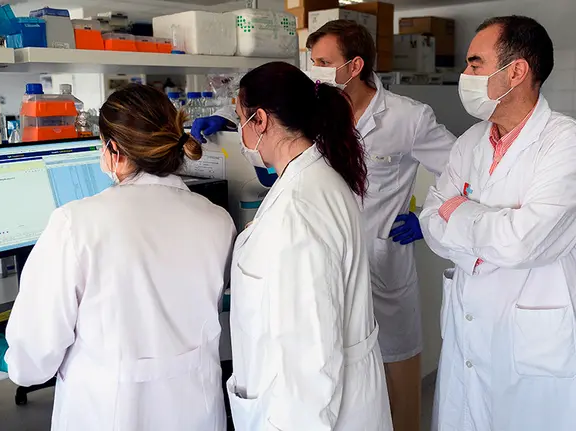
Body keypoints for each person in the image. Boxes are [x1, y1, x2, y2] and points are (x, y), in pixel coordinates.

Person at [193, 20, 456, 431]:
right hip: (340, 253)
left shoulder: (407, 117)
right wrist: (232, 129)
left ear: (354, 66)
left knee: (398, 395)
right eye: (310, 60)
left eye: (322, 61)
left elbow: (460, 169)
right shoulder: (316, 117)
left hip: (378, 266)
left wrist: (429, 220)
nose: (314, 68)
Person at [5, 84, 237, 431]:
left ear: (114, 150)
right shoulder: (217, 221)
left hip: (106, 415)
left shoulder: (75, 224)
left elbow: (31, 363)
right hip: (196, 415)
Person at [420, 16, 576, 431]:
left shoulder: (569, 143)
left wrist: (460, 212)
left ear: (516, 71)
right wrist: (483, 226)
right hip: (469, 331)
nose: (464, 75)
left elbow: (521, 243)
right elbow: (431, 222)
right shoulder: (469, 142)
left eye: (474, 64)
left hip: (538, 340)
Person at [226, 61, 392, 430]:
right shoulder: (312, 179)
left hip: (314, 411)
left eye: (240, 119)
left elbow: (310, 354)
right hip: (339, 395)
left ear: (262, 120)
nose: (240, 133)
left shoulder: (299, 208)